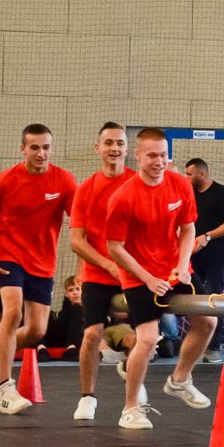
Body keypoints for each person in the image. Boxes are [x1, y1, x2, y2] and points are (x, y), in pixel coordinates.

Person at [104, 128, 216, 431]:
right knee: (148, 339)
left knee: (208, 321)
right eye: (152, 155)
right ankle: (130, 408)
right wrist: (148, 278)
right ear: (138, 155)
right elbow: (115, 247)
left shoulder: (180, 184)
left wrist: (181, 265)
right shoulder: (123, 197)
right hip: (139, 276)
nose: (159, 162)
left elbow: (188, 229)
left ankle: (180, 379)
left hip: (174, 270)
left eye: (164, 155)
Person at [0, 123, 78, 415]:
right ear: (23, 149)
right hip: (10, 257)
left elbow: (80, 223)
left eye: (46, 147)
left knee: (36, 330)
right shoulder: (5, 181)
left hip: (43, 264)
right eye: (34, 147)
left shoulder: (65, 181)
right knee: (13, 312)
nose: (41, 153)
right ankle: (5, 388)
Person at [67, 121, 134, 421]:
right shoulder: (85, 189)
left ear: (127, 149)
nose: (114, 148)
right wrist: (107, 264)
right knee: (92, 334)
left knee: (146, 339)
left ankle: (133, 391)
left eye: (120, 143)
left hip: (134, 273)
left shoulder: (139, 183)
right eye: (108, 143)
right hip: (98, 274)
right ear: (98, 148)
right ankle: (87, 397)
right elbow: (76, 241)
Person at [185, 158, 224, 363]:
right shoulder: (189, 194)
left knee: (213, 297)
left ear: (201, 174)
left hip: (217, 256)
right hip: (194, 256)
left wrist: (207, 236)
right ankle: (196, 343)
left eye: (189, 174)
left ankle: (214, 347)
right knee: (193, 299)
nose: (186, 178)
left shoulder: (220, 192)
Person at [39, 275, 85, 362]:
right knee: (43, 312)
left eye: (78, 289)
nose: (75, 293)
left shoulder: (91, 311)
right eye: (71, 290)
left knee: (77, 309)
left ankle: (71, 348)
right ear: (66, 294)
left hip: (73, 340)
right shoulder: (64, 313)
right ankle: (41, 348)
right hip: (55, 337)